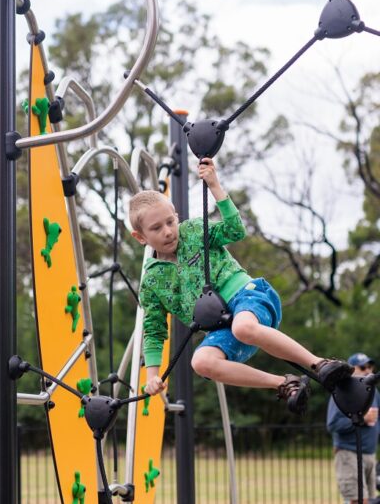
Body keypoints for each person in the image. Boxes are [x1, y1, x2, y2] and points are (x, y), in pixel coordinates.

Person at [129, 157, 354, 414]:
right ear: (140, 237)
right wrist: (153, 375)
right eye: (156, 228)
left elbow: (235, 230)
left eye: (170, 221)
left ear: (177, 217)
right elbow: (154, 329)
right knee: (201, 362)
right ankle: (285, 384)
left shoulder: (192, 231)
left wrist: (214, 186)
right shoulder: (152, 281)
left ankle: (320, 364)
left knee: (244, 326)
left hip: (249, 297)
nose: (168, 231)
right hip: (225, 326)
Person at [327, 353, 380, 504]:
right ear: (352, 369)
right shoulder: (343, 391)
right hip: (349, 453)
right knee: (357, 501)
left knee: (369, 500)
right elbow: (333, 425)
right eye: (363, 367)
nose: (368, 370)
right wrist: (362, 419)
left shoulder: (373, 392)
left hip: (370, 454)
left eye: (370, 366)